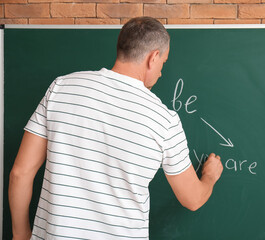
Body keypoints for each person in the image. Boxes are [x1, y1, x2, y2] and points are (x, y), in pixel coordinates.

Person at [8, 16, 223, 240]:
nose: (161, 72)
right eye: (164, 63)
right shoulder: (164, 120)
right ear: (153, 57)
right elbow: (193, 199)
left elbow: (20, 173)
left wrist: (20, 234)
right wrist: (210, 175)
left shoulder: (61, 87)